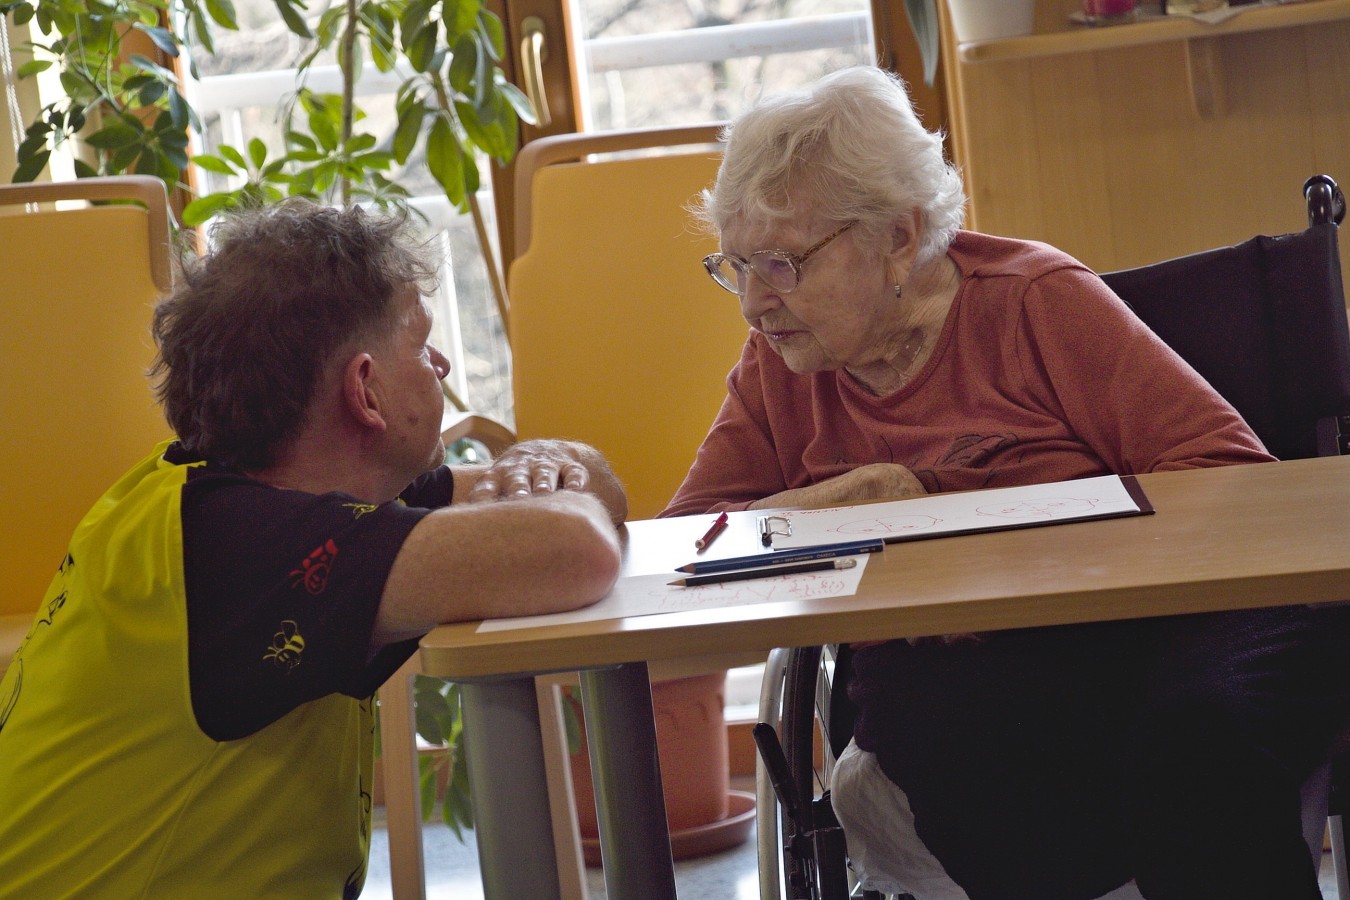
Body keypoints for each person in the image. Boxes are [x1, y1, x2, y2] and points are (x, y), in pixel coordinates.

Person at [663, 66, 1350, 899]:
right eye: (734, 266)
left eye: (781, 264)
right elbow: (687, 542)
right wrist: (857, 501)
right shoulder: (778, 366)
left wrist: (964, 531)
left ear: (898, 237)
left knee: (1199, 749)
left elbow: (1232, 477)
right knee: (957, 745)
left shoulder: (1034, 302)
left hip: (1150, 634)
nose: (751, 305)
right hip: (955, 681)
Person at [0, 199, 627, 898]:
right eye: (421, 344)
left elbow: (597, 500)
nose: (442, 364)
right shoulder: (236, 544)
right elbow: (580, 548)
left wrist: (543, 460)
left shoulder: (254, 494)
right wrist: (546, 479)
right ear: (365, 391)